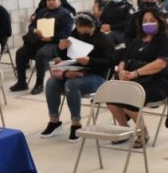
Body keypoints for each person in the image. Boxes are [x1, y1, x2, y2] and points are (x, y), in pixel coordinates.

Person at [41, 12, 114, 142]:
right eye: (80, 30)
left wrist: (90, 61)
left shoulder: (103, 39)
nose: (82, 33)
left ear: (93, 27)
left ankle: (76, 124)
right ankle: (54, 121)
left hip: (97, 76)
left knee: (71, 85)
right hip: (75, 72)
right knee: (51, 82)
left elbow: (110, 63)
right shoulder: (74, 35)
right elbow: (66, 57)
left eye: (86, 31)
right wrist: (61, 48)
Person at [109, 7, 168, 148]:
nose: (148, 23)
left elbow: (160, 64)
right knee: (111, 95)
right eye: (145, 21)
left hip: (156, 83)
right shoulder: (138, 41)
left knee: (128, 96)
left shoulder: (165, 41)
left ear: (160, 22)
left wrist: (135, 73)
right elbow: (124, 59)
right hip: (134, 81)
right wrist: (121, 71)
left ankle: (143, 132)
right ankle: (125, 130)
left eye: (152, 20)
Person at [10, 0, 74, 95]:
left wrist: (51, 38)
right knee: (20, 52)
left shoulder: (65, 14)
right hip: (39, 41)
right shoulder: (41, 12)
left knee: (41, 54)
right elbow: (31, 26)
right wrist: (35, 30)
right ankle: (21, 82)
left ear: (59, 1)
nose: (50, 2)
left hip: (56, 44)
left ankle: (39, 84)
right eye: (48, 0)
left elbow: (66, 33)